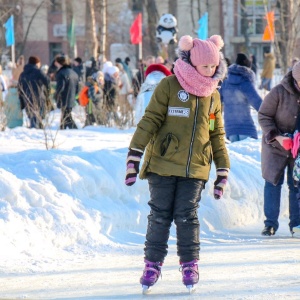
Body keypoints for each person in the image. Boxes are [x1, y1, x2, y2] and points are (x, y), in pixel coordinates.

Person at [125, 34, 230, 292]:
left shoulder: (213, 96)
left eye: (213, 66)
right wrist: (134, 156)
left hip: (195, 168)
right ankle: (152, 264)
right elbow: (149, 121)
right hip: (162, 164)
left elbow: (216, 133)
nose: (209, 71)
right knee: (160, 215)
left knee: (187, 216)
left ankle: (190, 264)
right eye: (204, 66)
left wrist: (222, 170)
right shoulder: (170, 87)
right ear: (192, 62)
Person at [258, 60, 300, 236]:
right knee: (273, 183)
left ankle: (296, 224)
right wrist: (277, 136)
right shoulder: (278, 92)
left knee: (296, 185)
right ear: (296, 80)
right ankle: (270, 224)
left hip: (297, 150)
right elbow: (263, 115)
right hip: (275, 147)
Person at [220, 53, 262, 142]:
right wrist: (270, 112)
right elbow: (257, 102)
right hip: (245, 126)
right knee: (247, 152)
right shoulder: (245, 82)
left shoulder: (226, 81)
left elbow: (217, 100)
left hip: (230, 127)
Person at [18, 56, 50, 129]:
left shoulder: (23, 74)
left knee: (32, 116)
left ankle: (35, 127)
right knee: (39, 115)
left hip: (27, 98)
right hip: (39, 97)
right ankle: (36, 129)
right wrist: (46, 92)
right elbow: (47, 81)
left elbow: (20, 87)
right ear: (37, 63)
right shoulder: (38, 72)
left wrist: (21, 100)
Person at [54, 55, 79, 129]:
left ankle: (72, 128)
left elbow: (60, 87)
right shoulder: (74, 73)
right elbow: (77, 87)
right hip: (71, 97)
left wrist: (56, 96)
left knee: (66, 115)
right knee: (66, 114)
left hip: (64, 97)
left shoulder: (61, 73)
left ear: (59, 63)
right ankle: (63, 127)